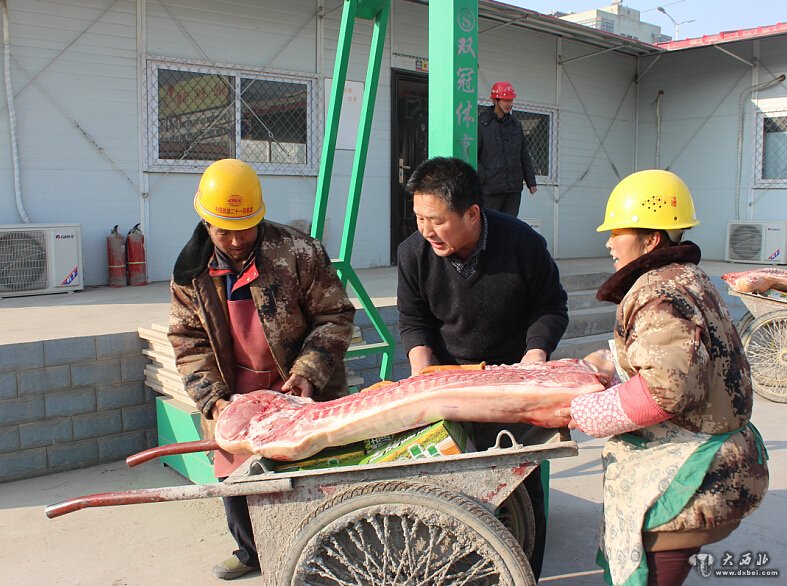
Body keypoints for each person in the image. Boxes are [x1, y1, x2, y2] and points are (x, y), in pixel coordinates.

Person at [553, 170, 769, 586]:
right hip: (722, 458)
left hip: (694, 472)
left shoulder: (657, 291)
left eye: (617, 232)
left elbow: (667, 390)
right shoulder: (686, 278)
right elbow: (680, 353)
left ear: (651, 239)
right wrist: (610, 361)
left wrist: (587, 412)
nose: (609, 242)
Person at [168, 158, 355, 580]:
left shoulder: (298, 251)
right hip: (233, 388)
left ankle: (325, 548)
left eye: (246, 228)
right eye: (224, 231)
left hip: (298, 383)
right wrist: (214, 400)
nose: (236, 240)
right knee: (236, 478)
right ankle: (251, 551)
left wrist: (309, 371)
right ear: (206, 222)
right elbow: (187, 340)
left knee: (316, 474)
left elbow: (335, 315)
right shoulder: (190, 273)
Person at [397, 156, 569, 581]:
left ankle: (524, 575)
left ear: (472, 213)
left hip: (511, 378)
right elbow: (414, 321)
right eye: (419, 218)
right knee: (446, 491)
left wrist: (534, 357)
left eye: (437, 220)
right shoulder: (413, 253)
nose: (426, 230)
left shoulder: (522, 243)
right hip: (448, 381)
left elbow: (550, 306)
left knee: (519, 492)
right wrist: (423, 375)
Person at [477, 81, 538, 217]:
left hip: (513, 188)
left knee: (510, 224)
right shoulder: (481, 124)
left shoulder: (515, 125)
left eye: (511, 100)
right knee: (489, 223)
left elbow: (523, 154)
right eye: (505, 100)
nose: (509, 104)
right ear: (495, 100)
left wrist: (531, 181)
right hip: (491, 188)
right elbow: (473, 155)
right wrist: (484, 177)